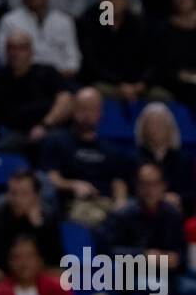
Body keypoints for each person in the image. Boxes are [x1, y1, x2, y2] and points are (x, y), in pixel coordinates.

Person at [38, 86, 129, 227]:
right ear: (74, 110)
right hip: (74, 204)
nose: (87, 114)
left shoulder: (110, 149)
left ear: (100, 113)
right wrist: (73, 185)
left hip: (105, 203)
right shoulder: (57, 141)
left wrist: (121, 202)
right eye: (83, 108)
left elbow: (118, 182)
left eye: (92, 109)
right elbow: (51, 178)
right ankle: (87, 248)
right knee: (93, 220)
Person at [76, 0, 151, 103]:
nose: (111, 1)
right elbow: (91, 63)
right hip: (101, 82)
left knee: (158, 95)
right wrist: (119, 84)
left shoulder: (138, 24)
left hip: (134, 84)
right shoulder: (88, 22)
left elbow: (149, 59)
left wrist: (139, 84)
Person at [0, 168, 63, 273]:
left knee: (58, 275)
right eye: (13, 193)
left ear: (36, 196)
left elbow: (54, 256)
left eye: (24, 194)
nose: (17, 199)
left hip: (36, 270)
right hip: (2, 269)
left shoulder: (48, 216)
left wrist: (38, 226)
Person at [0, 0, 81, 77]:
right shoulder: (9, 20)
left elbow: (73, 60)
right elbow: (4, 59)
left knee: (87, 93)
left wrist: (54, 77)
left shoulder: (64, 21)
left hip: (60, 78)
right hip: (23, 79)